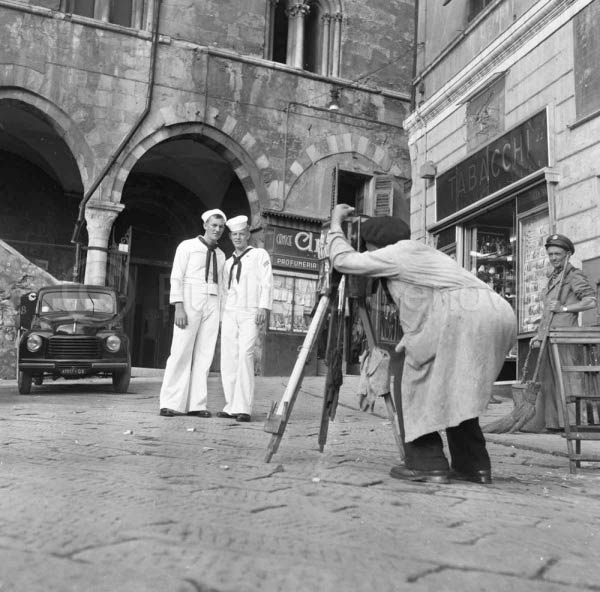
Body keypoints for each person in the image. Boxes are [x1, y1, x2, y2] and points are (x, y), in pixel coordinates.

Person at [326, 204, 517, 484]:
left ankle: (427, 463)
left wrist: (335, 223)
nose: (369, 253)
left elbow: (343, 260)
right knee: (457, 388)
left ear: (376, 245)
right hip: (496, 311)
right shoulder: (425, 252)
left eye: (369, 248)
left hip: (462, 314)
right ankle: (473, 466)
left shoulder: (395, 253)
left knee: (413, 386)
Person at [159, 209, 227, 418]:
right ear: (205, 225)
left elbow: (223, 286)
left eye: (221, 227)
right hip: (190, 301)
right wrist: (178, 306)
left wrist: (221, 316)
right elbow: (176, 277)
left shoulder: (221, 255)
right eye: (213, 225)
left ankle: (197, 404)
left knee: (205, 355)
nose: (217, 229)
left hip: (213, 302)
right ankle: (170, 403)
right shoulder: (187, 246)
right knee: (180, 351)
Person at [524, 234, 596, 432]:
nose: (553, 257)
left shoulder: (574, 275)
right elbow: (548, 312)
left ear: (568, 254)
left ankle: (575, 423)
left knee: (570, 380)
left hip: (566, 336)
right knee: (550, 382)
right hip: (550, 336)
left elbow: (590, 301)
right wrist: (539, 334)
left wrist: (564, 308)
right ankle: (555, 423)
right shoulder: (554, 277)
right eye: (550, 254)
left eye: (557, 254)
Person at [216, 215, 273, 422]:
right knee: (229, 357)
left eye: (241, 234)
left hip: (250, 311)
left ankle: (243, 408)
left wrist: (263, 307)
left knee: (245, 355)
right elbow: (225, 290)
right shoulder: (228, 263)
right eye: (234, 235)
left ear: (248, 234)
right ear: (230, 237)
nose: (238, 238)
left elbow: (267, 282)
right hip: (230, 312)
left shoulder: (259, 255)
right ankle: (231, 405)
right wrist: (221, 316)